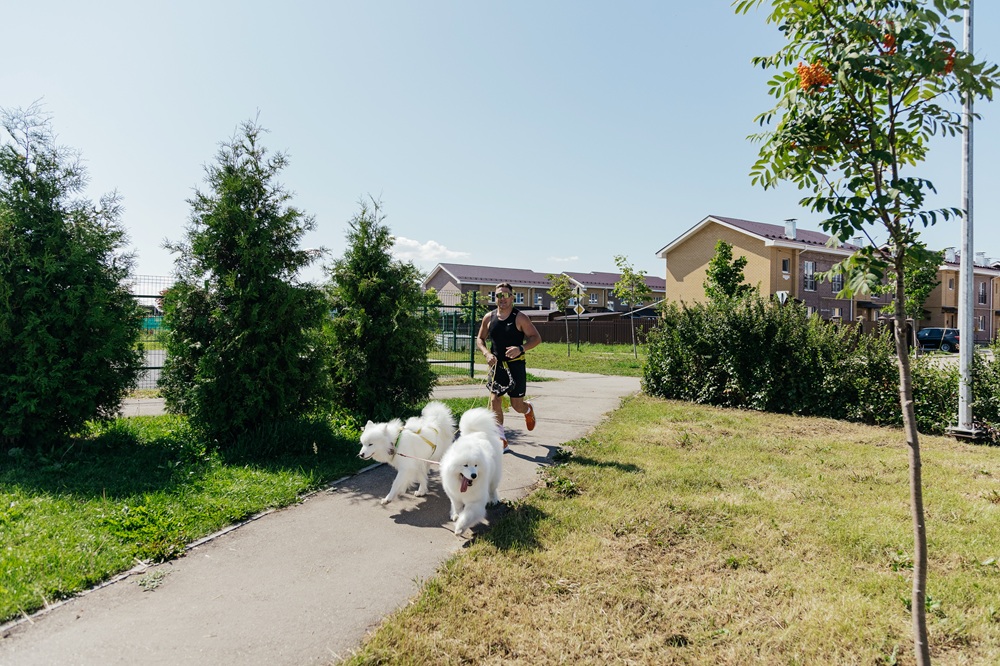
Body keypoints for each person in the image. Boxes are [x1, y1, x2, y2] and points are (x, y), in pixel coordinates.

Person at [476, 282, 541, 449]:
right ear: (495, 298)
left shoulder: (519, 317)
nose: (502, 298)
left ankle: (527, 410)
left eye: (505, 295)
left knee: (516, 405)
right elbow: (480, 339)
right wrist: (486, 353)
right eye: (498, 295)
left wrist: (521, 348)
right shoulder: (489, 317)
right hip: (497, 366)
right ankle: (501, 439)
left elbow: (536, 338)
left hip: (515, 365)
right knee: (495, 399)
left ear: (512, 298)